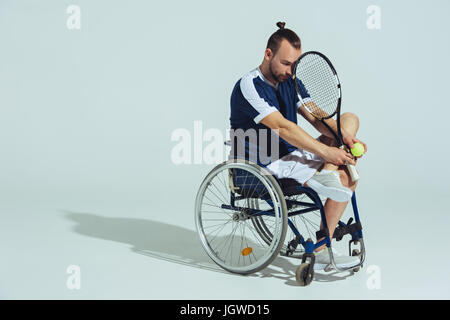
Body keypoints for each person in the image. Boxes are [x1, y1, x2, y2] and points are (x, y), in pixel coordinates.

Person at [229, 21, 367, 270]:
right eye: (285, 63)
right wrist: (328, 152)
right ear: (268, 54)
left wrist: (343, 138)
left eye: (294, 63)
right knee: (347, 179)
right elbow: (282, 127)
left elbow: (317, 118)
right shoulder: (248, 86)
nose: (290, 70)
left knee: (349, 120)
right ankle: (327, 178)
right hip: (264, 163)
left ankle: (323, 241)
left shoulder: (291, 80)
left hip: (291, 154)